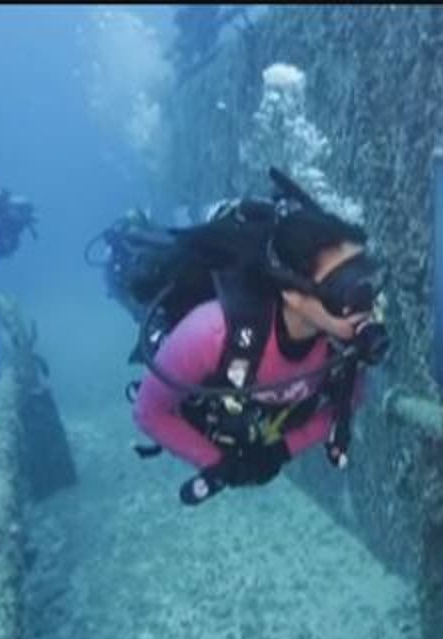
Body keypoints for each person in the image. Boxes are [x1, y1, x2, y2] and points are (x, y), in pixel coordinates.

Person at [129, 172, 389, 506]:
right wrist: (220, 464)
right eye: (347, 288)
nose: (367, 304)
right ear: (293, 294)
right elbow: (149, 411)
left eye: (370, 278)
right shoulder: (212, 333)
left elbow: (348, 403)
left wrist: (282, 450)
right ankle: (133, 237)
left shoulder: (342, 343)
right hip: (204, 389)